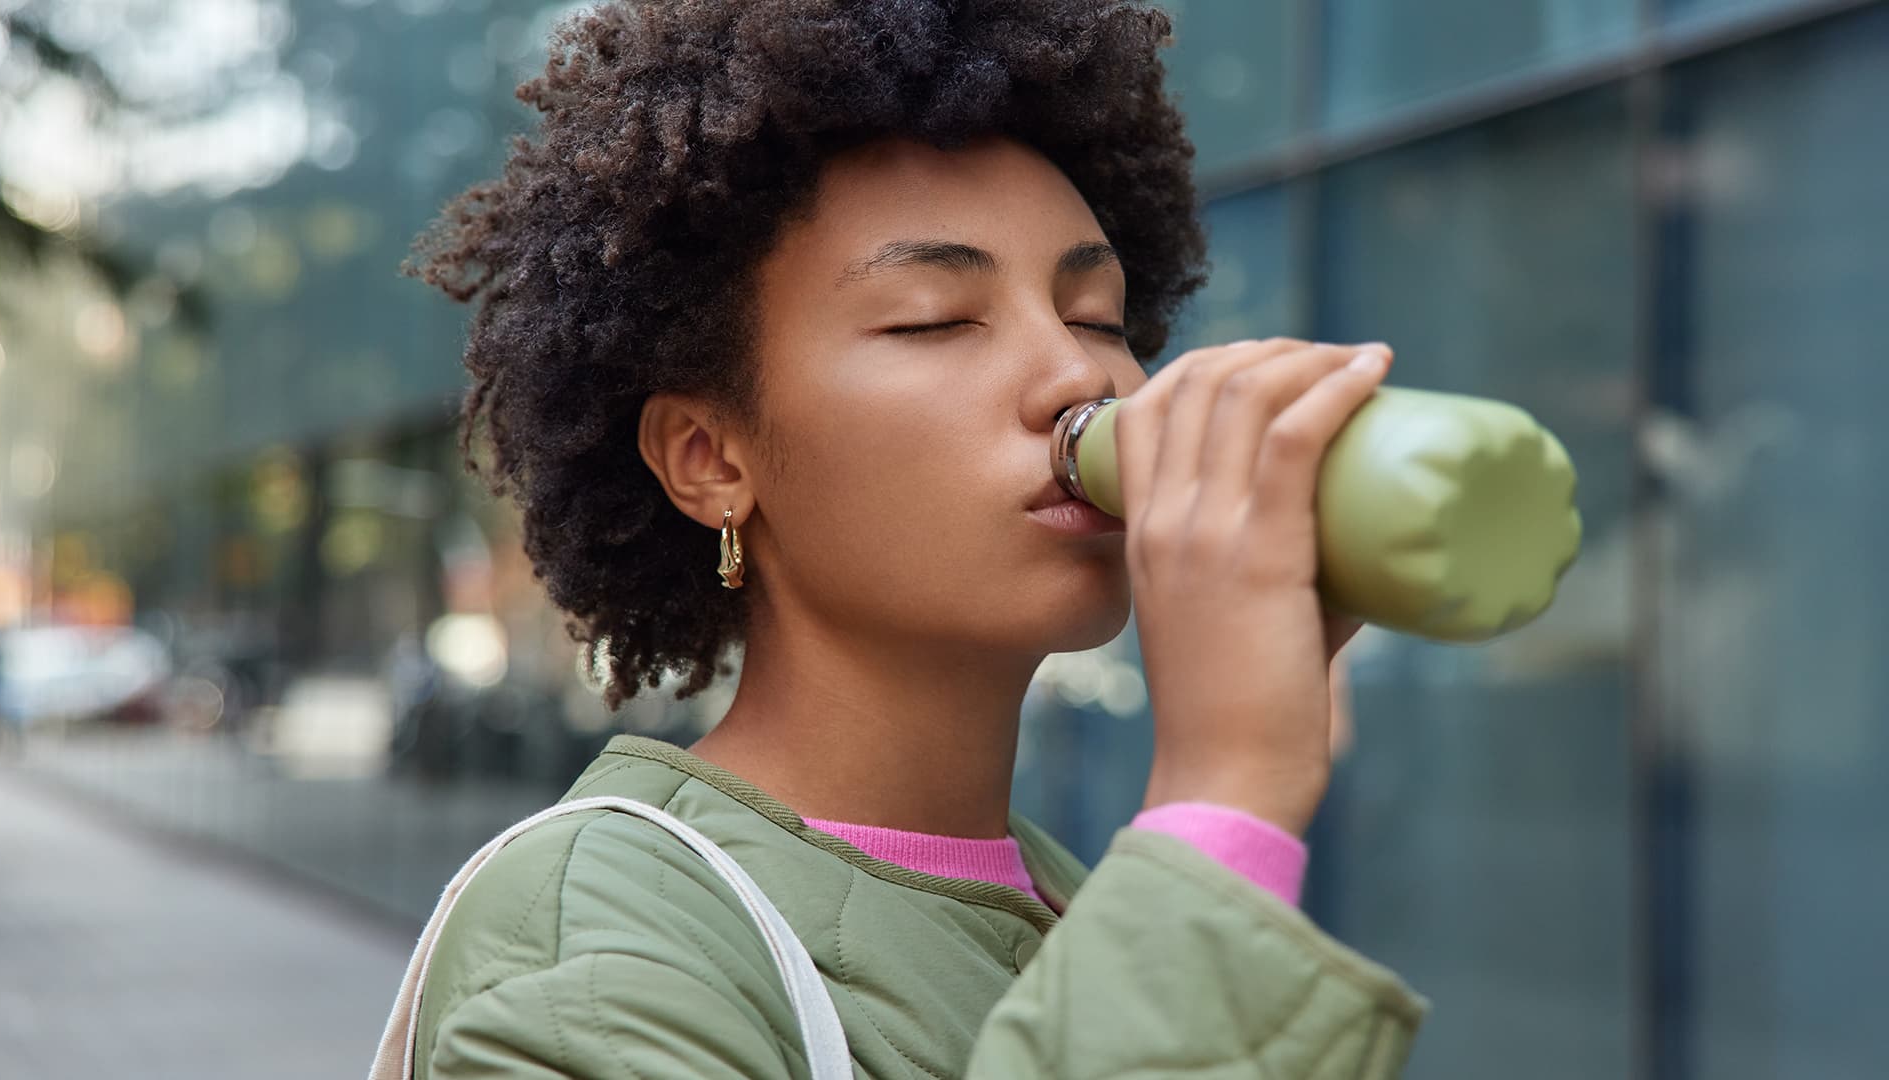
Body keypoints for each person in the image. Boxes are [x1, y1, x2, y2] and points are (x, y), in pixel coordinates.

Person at [397, 1, 1427, 1076]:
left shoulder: (1076, 898)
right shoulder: (604, 935)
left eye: (1099, 317)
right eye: (935, 318)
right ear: (709, 457)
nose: (1082, 378)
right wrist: (1226, 793)